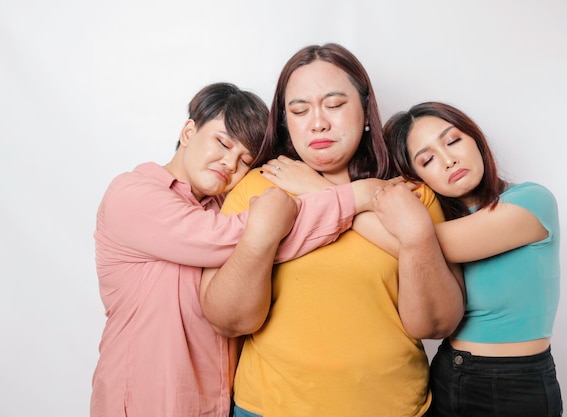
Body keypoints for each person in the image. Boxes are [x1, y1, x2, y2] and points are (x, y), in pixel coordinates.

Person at [200, 44, 465, 417]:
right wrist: (262, 235)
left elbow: (437, 324)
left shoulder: (410, 194)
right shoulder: (257, 189)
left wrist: (416, 237)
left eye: (335, 104)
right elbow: (229, 321)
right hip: (268, 408)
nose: (318, 122)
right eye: (299, 109)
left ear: (366, 110)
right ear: (285, 122)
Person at [91, 82, 382, 417]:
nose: (230, 162)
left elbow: (267, 243)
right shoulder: (133, 195)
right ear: (189, 131)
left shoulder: (224, 206)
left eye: (245, 159)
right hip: (146, 401)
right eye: (222, 142)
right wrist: (353, 197)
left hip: (218, 404)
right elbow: (232, 237)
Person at [384, 101, 563, 417]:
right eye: (427, 160)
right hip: (445, 373)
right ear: (417, 177)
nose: (449, 160)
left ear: (476, 140)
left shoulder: (531, 201)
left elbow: (421, 241)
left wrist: (337, 202)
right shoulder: (433, 222)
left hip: (515, 385)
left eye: (453, 141)